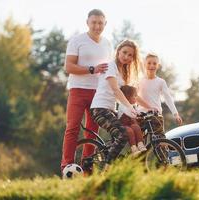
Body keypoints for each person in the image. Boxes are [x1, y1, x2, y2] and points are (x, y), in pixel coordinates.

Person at [61, 9, 112, 172]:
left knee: (92, 131)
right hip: (77, 90)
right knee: (72, 128)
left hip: (98, 93)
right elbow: (68, 67)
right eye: (94, 22)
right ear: (87, 23)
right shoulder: (77, 41)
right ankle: (67, 166)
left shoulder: (108, 44)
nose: (97, 26)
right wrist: (92, 69)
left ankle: (87, 168)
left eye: (100, 23)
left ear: (105, 23)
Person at [90, 39, 151, 165]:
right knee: (122, 134)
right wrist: (130, 108)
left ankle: (129, 158)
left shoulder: (123, 73)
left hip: (111, 110)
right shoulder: (110, 66)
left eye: (130, 55)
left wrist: (148, 107)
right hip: (99, 109)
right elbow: (116, 90)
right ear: (118, 52)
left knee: (135, 126)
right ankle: (107, 167)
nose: (126, 57)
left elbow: (131, 96)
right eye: (124, 52)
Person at [137, 53, 183, 135]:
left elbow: (168, 98)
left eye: (154, 63)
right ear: (144, 64)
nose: (151, 66)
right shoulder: (139, 81)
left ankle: (161, 145)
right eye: (149, 63)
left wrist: (176, 114)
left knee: (161, 142)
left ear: (158, 66)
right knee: (140, 143)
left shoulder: (161, 82)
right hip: (141, 114)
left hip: (156, 114)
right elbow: (134, 97)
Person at [119, 85, 147, 155]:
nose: (135, 98)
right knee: (130, 131)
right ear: (127, 97)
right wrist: (137, 115)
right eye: (134, 96)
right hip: (123, 124)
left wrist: (143, 114)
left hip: (130, 123)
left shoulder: (133, 106)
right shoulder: (122, 105)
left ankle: (140, 144)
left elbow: (137, 112)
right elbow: (130, 114)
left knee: (136, 127)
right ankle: (133, 148)